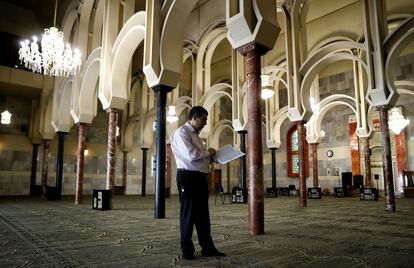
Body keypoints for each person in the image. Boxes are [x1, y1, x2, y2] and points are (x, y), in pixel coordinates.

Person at [170, 106, 226, 260]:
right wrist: (209, 153)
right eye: (203, 119)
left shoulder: (196, 135)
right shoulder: (182, 132)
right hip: (188, 177)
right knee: (188, 214)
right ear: (194, 117)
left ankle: (207, 248)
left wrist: (212, 156)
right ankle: (187, 250)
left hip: (200, 177)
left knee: (202, 215)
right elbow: (191, 156)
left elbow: (200, 157)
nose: (205, 123)